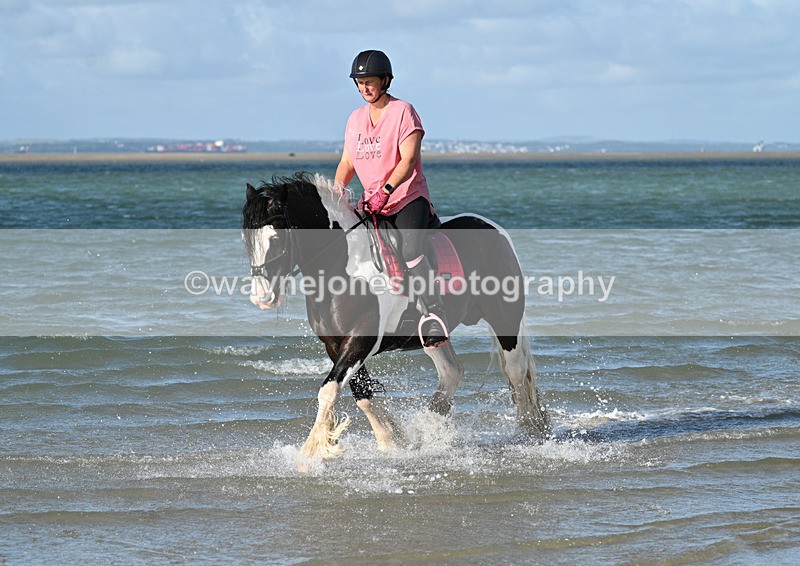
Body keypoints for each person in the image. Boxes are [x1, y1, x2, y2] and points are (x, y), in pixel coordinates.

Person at [334, 49, 449, 348]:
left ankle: (434, 314)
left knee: (410, 249)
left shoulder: (403, 112)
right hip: (371, 202)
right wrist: (337, 190)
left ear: (385, 80)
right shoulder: (355, 119)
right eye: (359, 83)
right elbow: (347, 163)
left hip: (407, 198)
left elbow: (408, 160)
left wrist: (385, 192)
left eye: (369, 82)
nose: (364, 88)